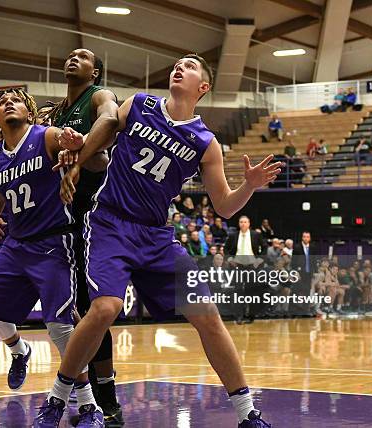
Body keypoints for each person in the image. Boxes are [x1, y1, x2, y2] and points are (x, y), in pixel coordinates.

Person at [35, 54, 278, 427]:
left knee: (209, 316)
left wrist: (250, 185)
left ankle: (248, 413)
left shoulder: (205, 142)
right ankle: (56, 400)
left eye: (191, 66)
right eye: (177, 64)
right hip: (110, 224)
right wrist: (79, 159)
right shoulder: (140, 104)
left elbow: (226, 207)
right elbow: (107, 124)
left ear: (204, 86)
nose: (179, 67)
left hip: (157, 236)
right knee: (104, 308)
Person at [0, 88, 95, 424]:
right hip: (15, 246)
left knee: (60, 326)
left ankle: (88, 404)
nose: (8, 103)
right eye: (1, 103)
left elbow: (80, 144)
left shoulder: (46, 135)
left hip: (53, 243)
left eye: (16, 100)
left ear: (29, 112)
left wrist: (73, 153)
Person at [39, 47, 123, 424]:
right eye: (69, 54)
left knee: (93, 311)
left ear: (96, 71)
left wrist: (79, 158)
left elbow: (109, 127)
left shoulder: (99, 96)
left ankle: (106, 398)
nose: (73, 58)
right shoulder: (53, 113)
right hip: (52, 222)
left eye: (83, 56)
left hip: (89, 218)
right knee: (68, 314)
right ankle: (84, 394)